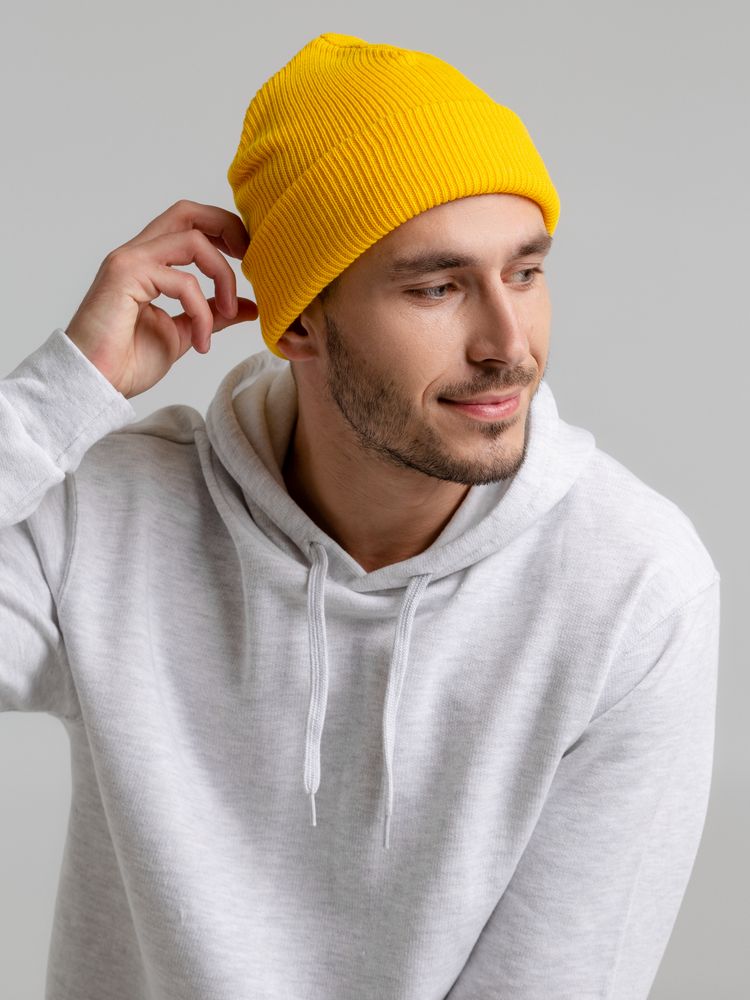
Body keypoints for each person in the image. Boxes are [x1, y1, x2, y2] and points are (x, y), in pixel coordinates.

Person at [0, 31, 720, 1000]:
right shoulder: (111, 521)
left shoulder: (632, 590)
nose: (508, 343)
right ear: (299, 319)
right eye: (438, 286)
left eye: (525, 272)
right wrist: (66, 389)